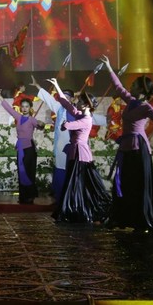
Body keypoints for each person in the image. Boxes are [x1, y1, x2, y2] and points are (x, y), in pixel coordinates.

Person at [100, 56, 153, 235]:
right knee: (123, 183)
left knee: (137, 185)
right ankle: (121, 217)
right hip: (126, 146)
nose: (131, 87)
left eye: (134, 85)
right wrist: (108, 67)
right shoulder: (131, 101)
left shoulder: (145, 107)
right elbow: (119, 88)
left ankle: (140, 220)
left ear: (141, 90)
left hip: (138, 148)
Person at [31, 75, 105, 202]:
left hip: (76, 146)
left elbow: (95, 119)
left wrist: (112, 120)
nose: (63, 98)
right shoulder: (59, 108)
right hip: (61, 145)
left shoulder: (79, 112)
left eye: (66, 96)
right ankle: (60, 197)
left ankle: (77, 198)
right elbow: (48, 99)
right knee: (60, 167)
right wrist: (38, 86)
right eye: (62, 96)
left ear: (71, 99)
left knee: (74, 170)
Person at [46, 78, 110, 224]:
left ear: (86, 104)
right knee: (74, 183)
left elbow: (71, 125)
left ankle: (88, 209)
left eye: (80, 101)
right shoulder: (79, 113)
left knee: (84, 183)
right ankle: (75, 208)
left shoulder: (87, 118)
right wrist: (57, 86)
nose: (77, 103)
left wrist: (65, 125)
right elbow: (67, 104)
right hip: (74, 152)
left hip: (82, 154)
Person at [0, 88, 44, 204]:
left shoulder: (32, 120)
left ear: (30, 108)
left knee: (29, 171)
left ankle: (30, 196)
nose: (24, 108)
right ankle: (23, 196)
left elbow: (40, 126)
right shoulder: (18, 117)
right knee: (21, 172)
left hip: (29, 148)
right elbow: (8, 108)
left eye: (26, 106)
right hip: (20, 148)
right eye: (22, 106)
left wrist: (41, 124)